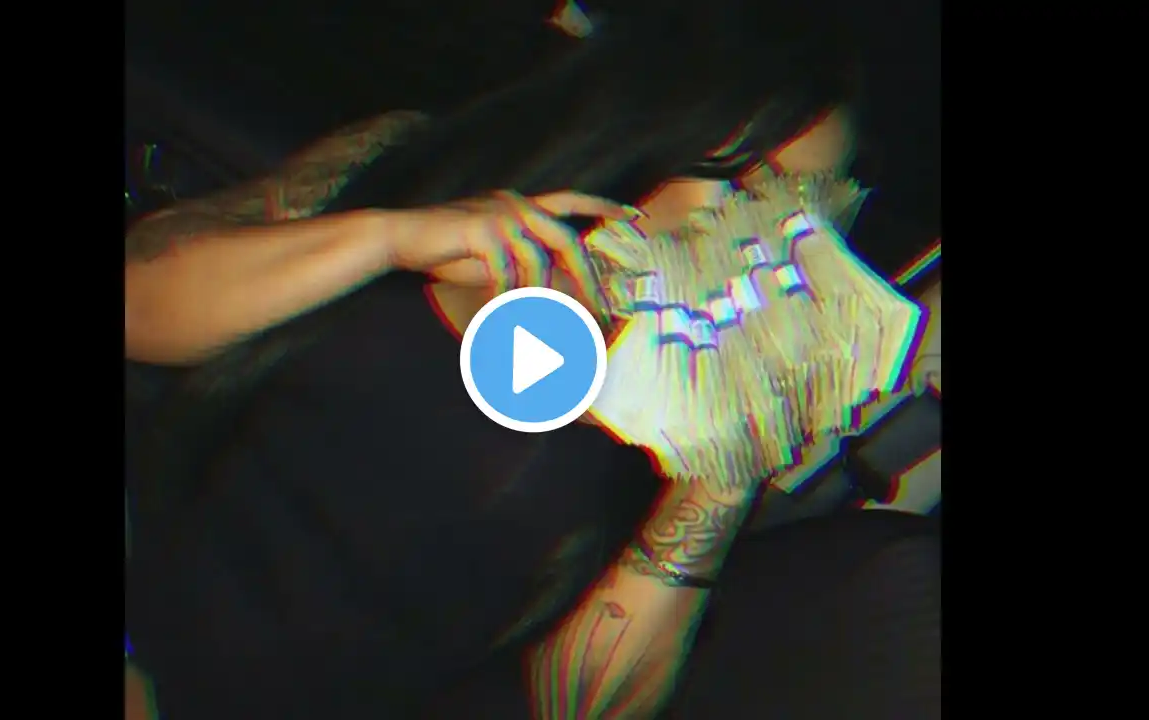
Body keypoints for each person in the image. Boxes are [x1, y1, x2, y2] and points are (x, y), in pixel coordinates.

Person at [124, 1, 940, 718]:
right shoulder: (427, 165)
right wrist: (387, 239)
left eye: (808, 216)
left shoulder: (690, 427)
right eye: (752, 187)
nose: (771, 244)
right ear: (667, 124)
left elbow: (579, 706)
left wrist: (724, 468)